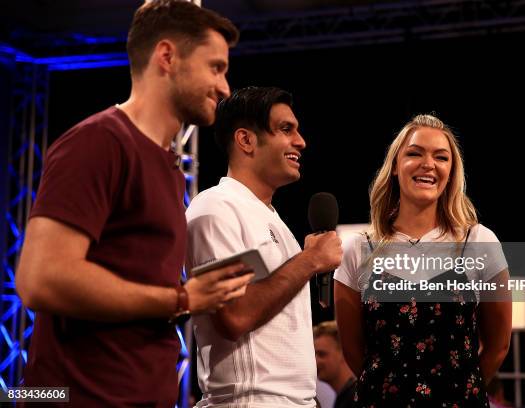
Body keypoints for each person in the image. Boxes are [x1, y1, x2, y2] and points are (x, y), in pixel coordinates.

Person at [15, 1, 253, 406]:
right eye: (216, 67)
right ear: (167, 56)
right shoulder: (99, 143)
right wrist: (181, 299)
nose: (226, 87)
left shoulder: (168, 167)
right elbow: (41, 278)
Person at [334, 114, 512, 407]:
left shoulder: (479, 241)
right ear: (394, 166)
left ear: (451, 171)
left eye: (441, 157)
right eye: (414, 153)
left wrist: (458, 391)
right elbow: (354, 353)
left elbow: (498, 346)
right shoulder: (358, 248)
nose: (428, 164)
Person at [185, 86, 343, 407]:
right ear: (246, 140)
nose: (301, 141)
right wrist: (309, 260)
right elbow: (235, 316)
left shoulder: (276, 222)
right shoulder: (217, 207)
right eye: (286, 129)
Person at [314, 321, 357, 408]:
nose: (315, 361)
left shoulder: (355, 398)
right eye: (314, 355)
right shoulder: (346, 397)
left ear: (343, 353)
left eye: (322, 354)